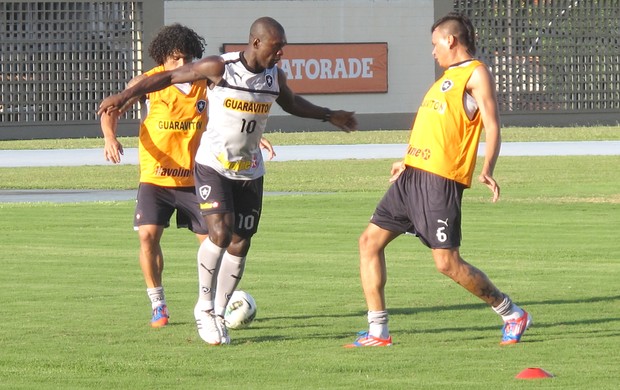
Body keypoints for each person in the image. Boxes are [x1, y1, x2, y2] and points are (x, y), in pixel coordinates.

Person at [99, 16, 357, 345]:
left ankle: (219, 311)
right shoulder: (220, 68)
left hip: (249, 170)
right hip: (210, 166)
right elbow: (165, 77)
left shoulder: (274, 76)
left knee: (240, 242)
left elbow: (291, 102)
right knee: (217, 234)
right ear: (256, 43)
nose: (282, 54)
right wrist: (122, 97)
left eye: (283, 49)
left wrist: (328, 115)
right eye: (277, 48)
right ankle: (202, 309)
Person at [344, 13, 530, 348]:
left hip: (440, 182)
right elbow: (436, 128)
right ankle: (378, 331)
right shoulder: (446, 78)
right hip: (412, 176)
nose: (433, 52)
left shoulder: (476, 73)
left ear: (451, 40)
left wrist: (487, 167)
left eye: (434, 44)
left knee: (446, 263)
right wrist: (408, 159)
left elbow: (493, 123)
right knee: (368, 243)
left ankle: (511, 312)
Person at [100, 23, 276, 329]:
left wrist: (253, 137)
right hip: (156, 179)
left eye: (188, 58)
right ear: (163, 58)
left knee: (216, 243)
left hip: (196, 178)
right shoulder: (149, 82)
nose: (183, 65)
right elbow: (112, 110)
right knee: (147, 236)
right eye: (176, 59)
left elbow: (233, 112)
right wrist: (109, 138)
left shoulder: (204, 82)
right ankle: (158, 304)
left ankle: (218, 305)